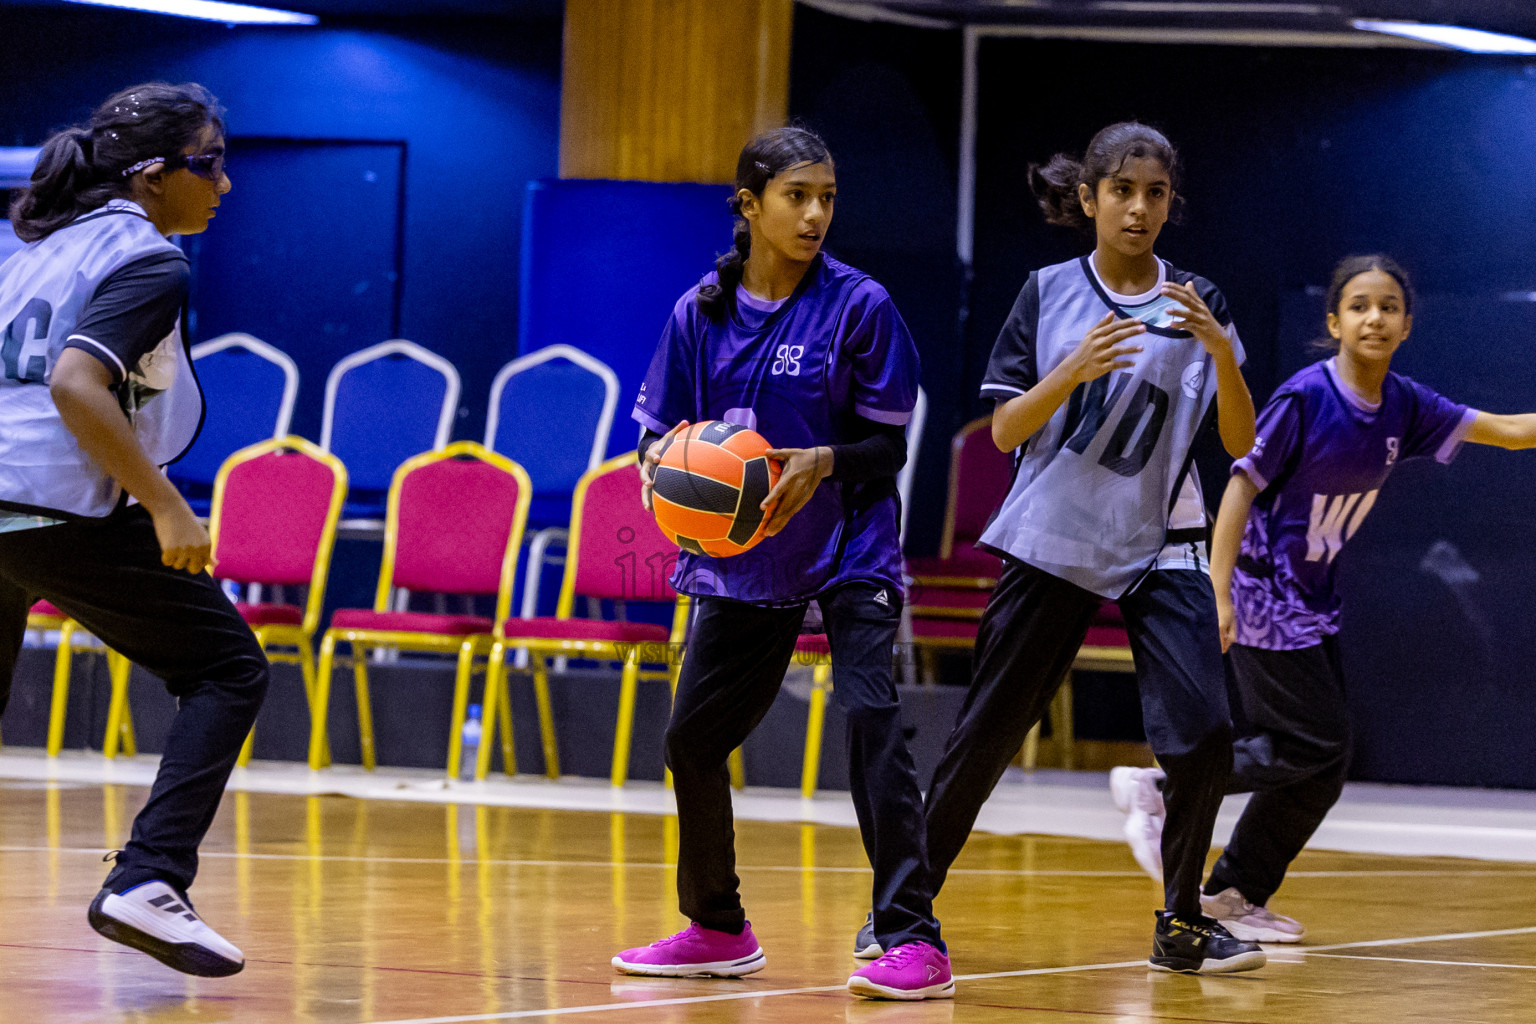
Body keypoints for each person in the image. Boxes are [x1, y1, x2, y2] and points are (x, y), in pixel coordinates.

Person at [898, 121, 1265, 975]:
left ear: (1171, 203)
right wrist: (1073, 371)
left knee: (1206, 731)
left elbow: (1240, 438)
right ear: (1091, 198)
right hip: (1056, 534)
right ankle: (902, 912)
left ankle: (1181, 921)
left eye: (1156, 193)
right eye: (1124, 191)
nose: (1140, 208)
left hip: (1160, 536)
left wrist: (1222, 355)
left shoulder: (1199, 298)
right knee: (986, 733)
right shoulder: (1048, 291)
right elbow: (1003, 431)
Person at [612, 125, 952, 1000]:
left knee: (871, 718)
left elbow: (889, 447)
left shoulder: (860, 306)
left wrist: (821, 462)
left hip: (850, 544)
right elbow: (656, 437)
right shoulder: (700, 312)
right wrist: (662, 477)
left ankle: (912, 936)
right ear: (749, 206)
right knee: (693, 739)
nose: (814, 214)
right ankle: (717, 926)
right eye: (797, 196)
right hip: (745, 555)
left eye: (827, 198)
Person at [1183, 254, 1535, 941]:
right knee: (1317, 740)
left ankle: (1231, 892)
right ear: (1334, 320)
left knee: (1323, 763)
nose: (1374, 317)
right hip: (1262, 590)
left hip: (1310, 601)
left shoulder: (1404, 405)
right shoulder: (1306, 397)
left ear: (1406, 325)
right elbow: (1239, 486)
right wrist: (1218, 591)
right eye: (1359, 305)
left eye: (1389, 307)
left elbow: (1513, 433)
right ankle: (1173, 785)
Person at [0, 82, 264, 977]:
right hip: (58, 500)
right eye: (210, 162)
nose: (224, 184)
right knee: (229, 667)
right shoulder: (147, 261)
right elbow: (78, 384)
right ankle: (148, 880)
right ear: (152, 176)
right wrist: (164, 503)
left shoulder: (29, 249)